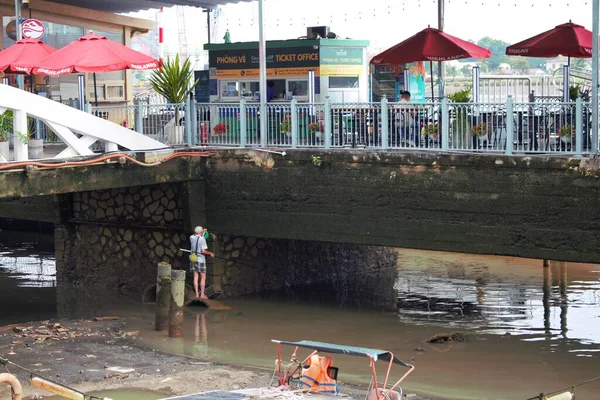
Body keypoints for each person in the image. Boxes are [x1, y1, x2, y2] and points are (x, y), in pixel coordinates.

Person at [190, 226, 214, 299]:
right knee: (203, 277)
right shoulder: (202, 239)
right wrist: (210, 253)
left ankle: (197, 294)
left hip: (193, 258)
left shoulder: (191, 237)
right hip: (200, 259)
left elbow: (196, 234)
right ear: (201, 232)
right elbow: (203, 251)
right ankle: (202, 294)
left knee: (195, 277)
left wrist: (202, 231)